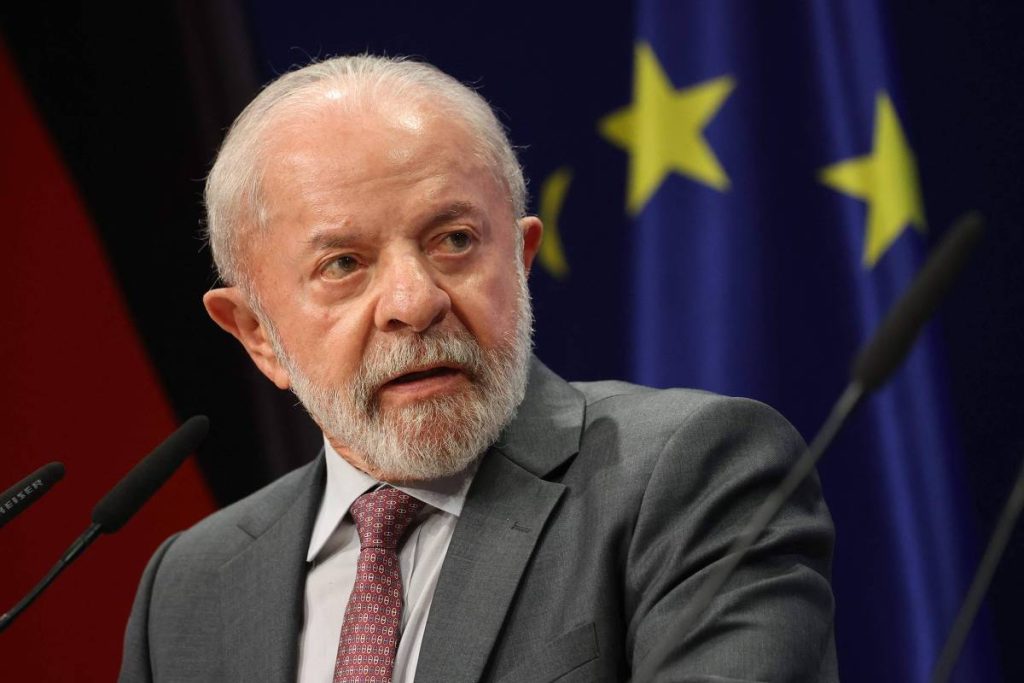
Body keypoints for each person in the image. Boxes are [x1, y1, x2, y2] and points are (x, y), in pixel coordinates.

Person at [119, 55, 837, 682]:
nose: (415, 302)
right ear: (257, 334)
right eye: (343, 264)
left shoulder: (691, 475)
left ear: (520, 262)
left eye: (455, 240)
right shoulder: (188, 588)